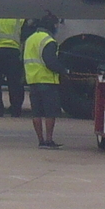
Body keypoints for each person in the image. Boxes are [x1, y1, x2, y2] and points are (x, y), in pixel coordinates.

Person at [23, 14, 64, 148]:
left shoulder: (30, 39)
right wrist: (64, 71)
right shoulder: (48, 41)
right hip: (47, 81)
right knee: (50, 113)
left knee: (36, 113)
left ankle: (40, 141)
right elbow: (50, 62)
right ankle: (49, 140)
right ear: (52, 26)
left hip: (33, 81)